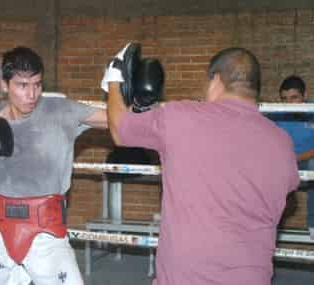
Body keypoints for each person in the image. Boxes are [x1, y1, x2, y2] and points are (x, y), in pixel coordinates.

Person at [103, 45, 300, 285]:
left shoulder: (182, 116)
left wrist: (114, 79)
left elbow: (121, 129)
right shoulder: (281, 141)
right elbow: (288, 198)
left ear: (216, 81)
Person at [0, 46, 107, 285]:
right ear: (4, 84)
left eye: (37, 85)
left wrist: (133, 101)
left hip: (47, 231)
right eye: (22, 85)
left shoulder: (60, 110)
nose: (31, 94)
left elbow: (114, 121)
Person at [271, 75, 314, 239]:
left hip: (306, 162)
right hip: (285, 163)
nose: (288, 103)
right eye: (284, 99)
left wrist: (294, 159)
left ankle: (313, 224)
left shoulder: (312, 110)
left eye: (294, 98)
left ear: (304, 96)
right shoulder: (277, 114)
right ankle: (268, 226)